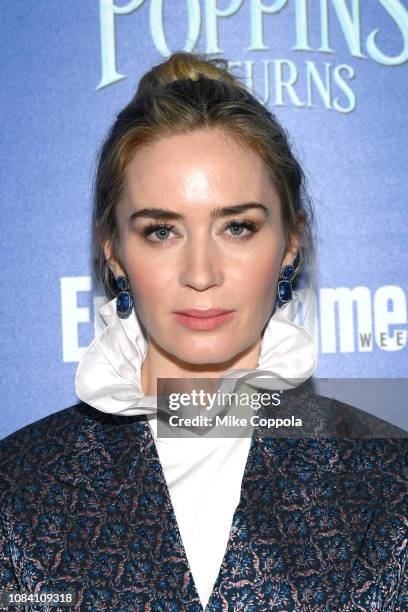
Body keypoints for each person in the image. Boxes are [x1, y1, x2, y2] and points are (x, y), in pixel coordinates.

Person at [0, 52, 406, 612]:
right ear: (113, 252)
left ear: (291, 242)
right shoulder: (16, 492)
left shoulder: (389, 480)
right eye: (161, 231)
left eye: (237, 227)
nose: (201, 274)